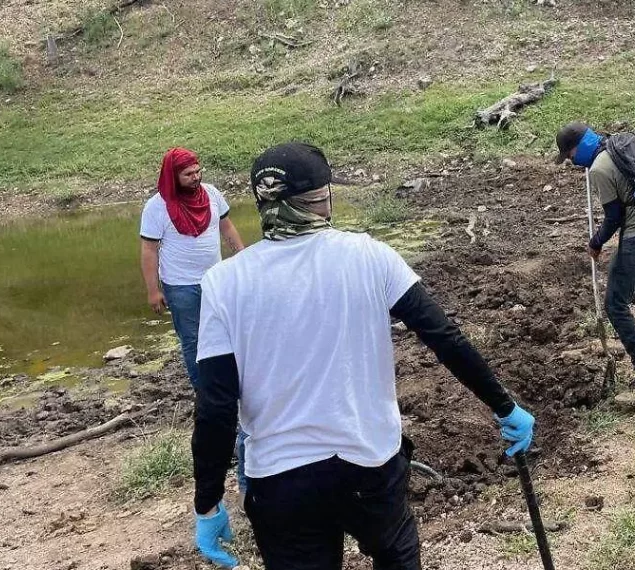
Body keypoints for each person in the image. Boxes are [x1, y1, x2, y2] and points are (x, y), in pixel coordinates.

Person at [190, 142, 535, 570]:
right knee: (397, 555)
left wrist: (208, 502)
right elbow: (443, 337)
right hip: (369, 464)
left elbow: (216, 405)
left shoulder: (224, 282)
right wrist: (504, 407)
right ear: (322, 197)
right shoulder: (369, 255)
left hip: (281, 482)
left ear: (262, 201)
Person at [554, 122, 635, 406]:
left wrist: (595, 242)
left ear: (579, 147)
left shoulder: (599, 168)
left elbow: (614, 217)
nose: (571, 161)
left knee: (615, 305)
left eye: (570, 155)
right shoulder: (616, 146)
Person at [140, 147, 245, 388]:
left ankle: (227, 383)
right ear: (172, 176)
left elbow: (227, 227)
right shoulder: (157, 207)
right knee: (192, 340)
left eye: (198, 171)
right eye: (188, 174)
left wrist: (242, 257)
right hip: (180, 286)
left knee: (225, 333)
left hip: (216, 279)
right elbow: (149, 250)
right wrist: (153, 291)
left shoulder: (212, 194)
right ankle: (203, 389)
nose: (196, 177)